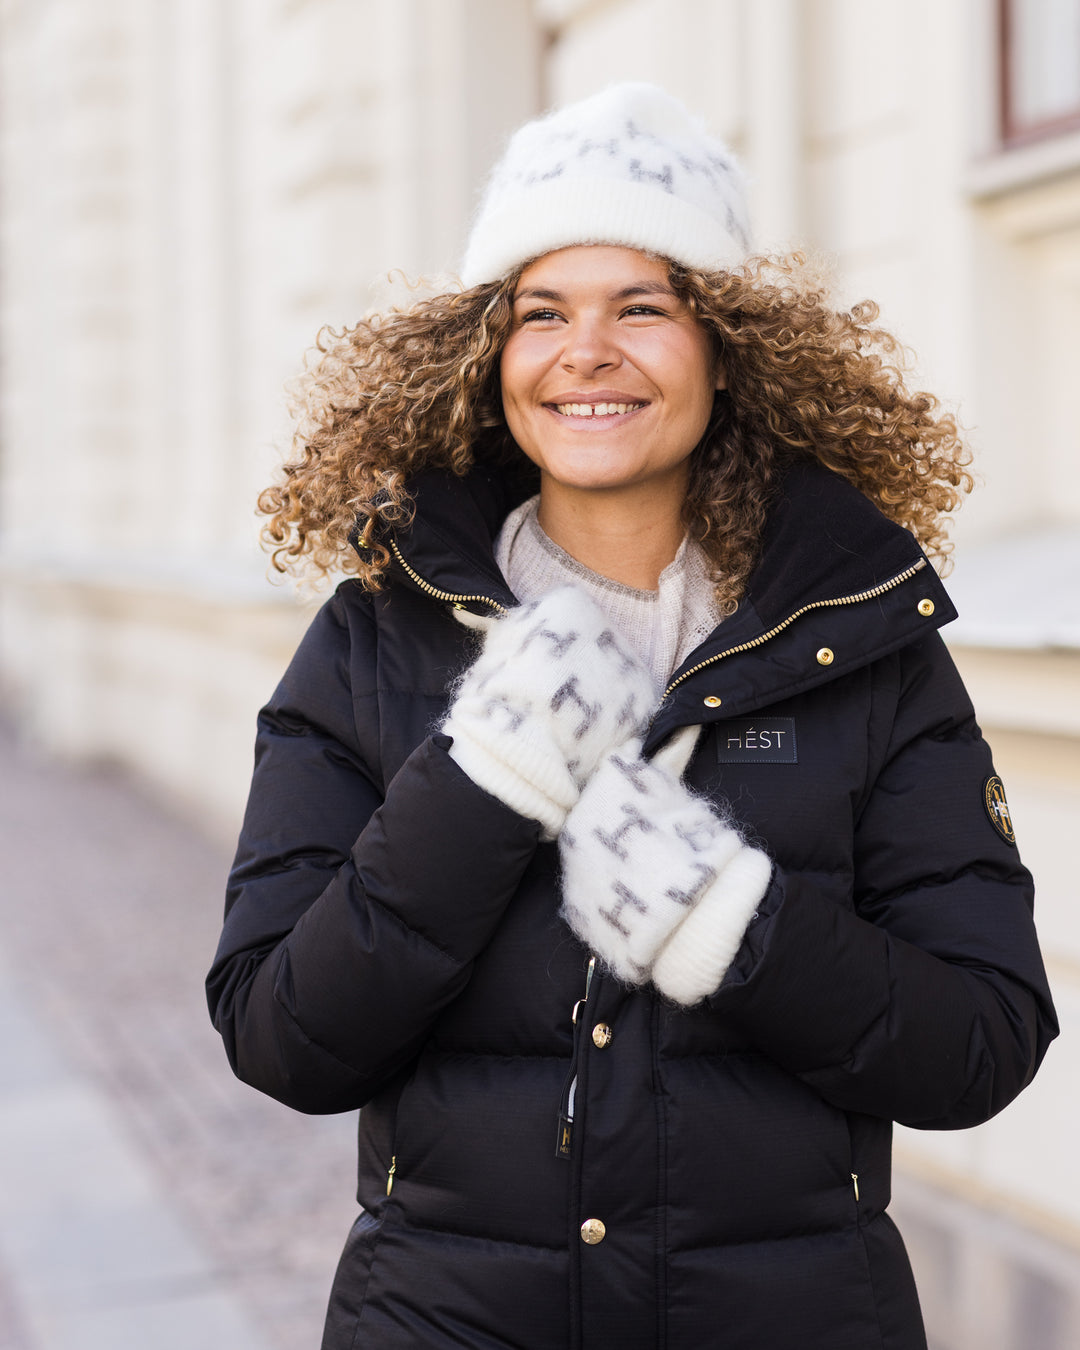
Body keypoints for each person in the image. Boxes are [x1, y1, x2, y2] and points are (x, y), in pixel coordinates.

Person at [207, 84, 1057, 1349]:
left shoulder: (864, 645)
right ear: (488, 360)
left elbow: (979, 1046)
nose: (586, 352)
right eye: (540, 312)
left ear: (729, 347)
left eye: (642, 308)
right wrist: (485, 780)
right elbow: (286, 1036)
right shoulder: (378, 638)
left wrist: (733, 925)